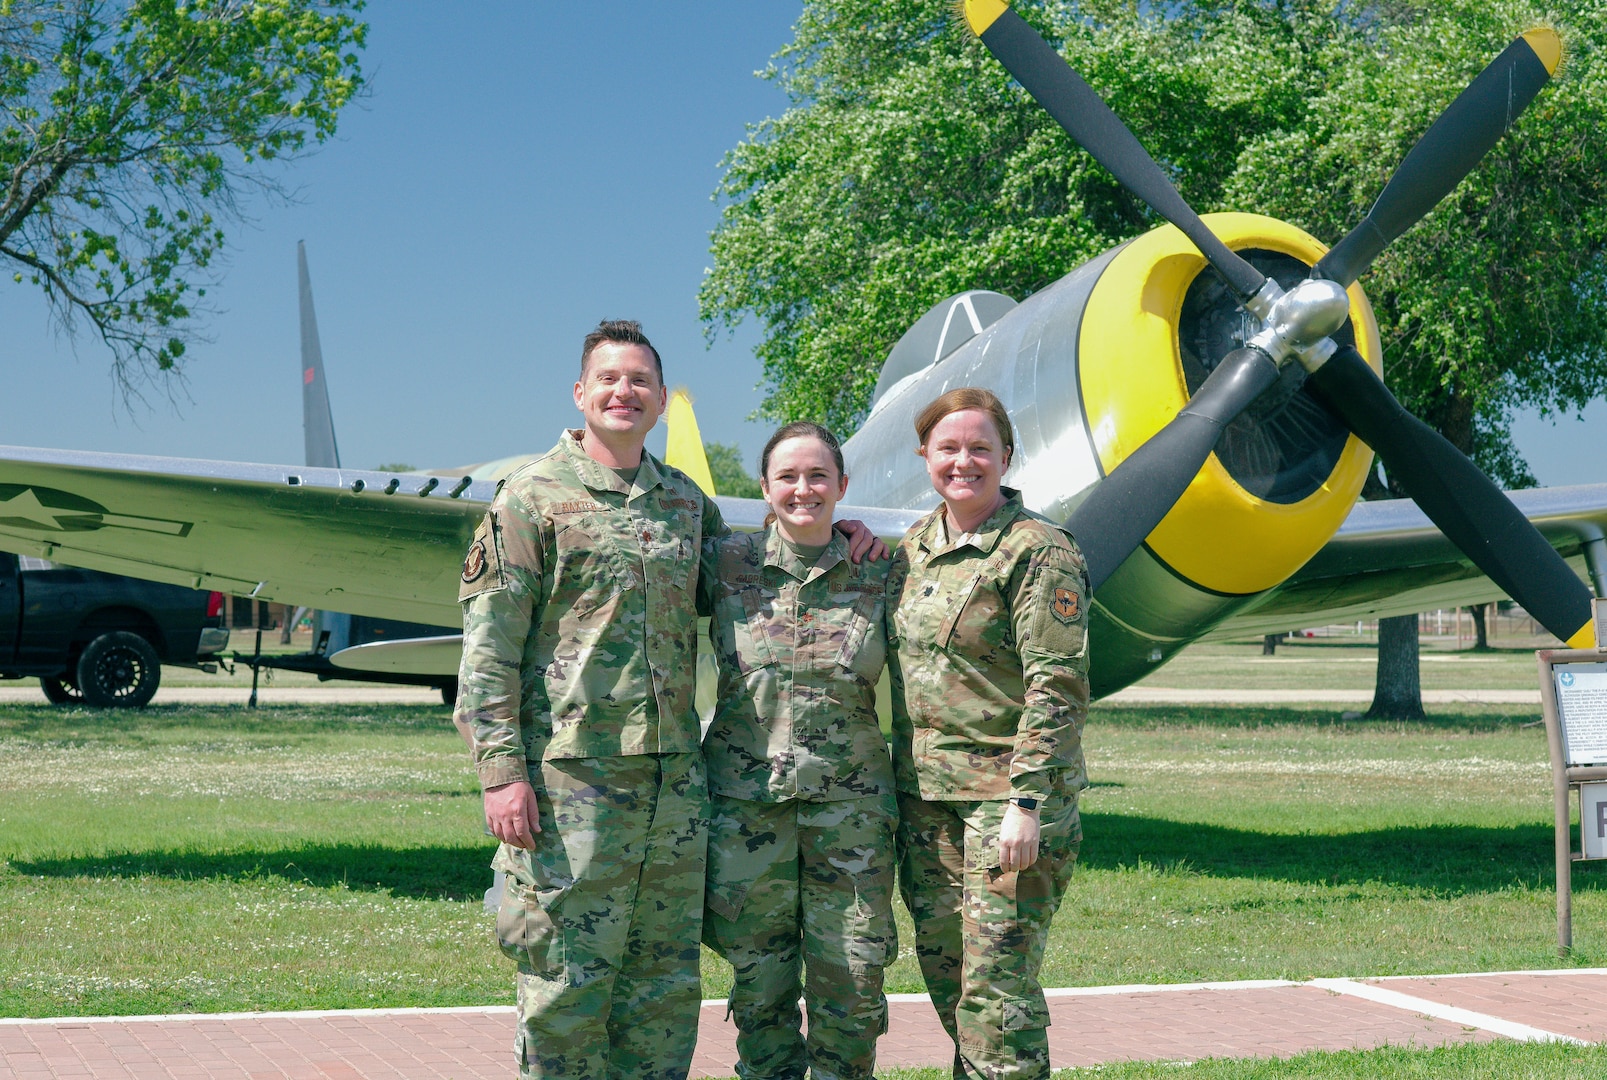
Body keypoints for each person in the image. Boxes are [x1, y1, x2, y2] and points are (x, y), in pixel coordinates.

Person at [455, 320, 884, 1080]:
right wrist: (499, 770)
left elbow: (760, 577)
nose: (625, 392)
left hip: (676, 789)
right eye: (610, 379)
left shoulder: (686, 505)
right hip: (571, 783)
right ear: (581, 393)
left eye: (641, 381)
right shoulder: (529, 500)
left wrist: (836, 534)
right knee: (566, 978)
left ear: (658, 401)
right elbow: (488, 648)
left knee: (663, 984)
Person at [886, 387, 1090, 1080]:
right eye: (948, 448)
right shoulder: (913, 547)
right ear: (924, 456)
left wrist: (1026, 801)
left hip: (1004, 808)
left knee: (997, 995)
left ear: (1006, 456)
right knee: (951, 985)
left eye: (980, 448)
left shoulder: (1037, 551)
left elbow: (1055, 686)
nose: (963, 461)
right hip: (928, 805)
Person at [701, 422, 896, 1080]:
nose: (803, 489)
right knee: (760, 998)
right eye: (787, 476)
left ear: (843, 486)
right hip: (747, 818)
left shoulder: (882, 571)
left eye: (818, 476)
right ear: (763, 488)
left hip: (852, 822)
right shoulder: (726, 566)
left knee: (853, 993)